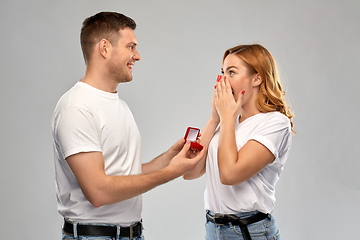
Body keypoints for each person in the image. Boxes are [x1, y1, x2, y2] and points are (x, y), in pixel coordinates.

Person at [51, 11, 204, 240]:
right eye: (130, 47)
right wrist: (170, 173)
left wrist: (169, 158)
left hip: (130, 234)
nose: (138, 56)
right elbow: (99, 191)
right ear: (104, 48)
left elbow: (124, 175)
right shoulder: (76, 108)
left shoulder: (119, 105)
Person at [183, 44, 295, 240]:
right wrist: (214, 119)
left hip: (248, 232)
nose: (223, 80)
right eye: (222, 72)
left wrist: (226, 118)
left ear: (257, 78)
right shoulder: (227, 125)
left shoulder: (275, 123)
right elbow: (190, 172)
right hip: (213, 228)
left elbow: (229, 174)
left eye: (232, 72)